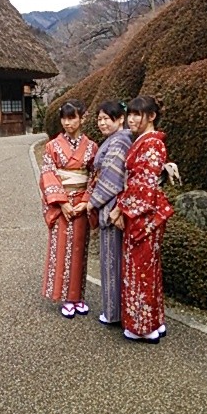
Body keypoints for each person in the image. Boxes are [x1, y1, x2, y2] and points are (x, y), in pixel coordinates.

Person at [109, 95, 174, 344]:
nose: (132, 119)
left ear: (151, 116)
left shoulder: (152, 144)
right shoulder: (146, 142)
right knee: (147, 268)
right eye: (131, 114)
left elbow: (143, 186)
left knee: (140, 270)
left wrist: (120, 210)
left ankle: (142, 327)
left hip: (142, 214)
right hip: (143, 211)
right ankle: (154, 322)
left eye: (138, 114)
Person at [40, 100, 98, 318]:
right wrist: (62, 202)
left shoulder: (91, 147)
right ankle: (65, 297)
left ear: (82, 118)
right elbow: (47, 173)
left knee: (79, 249)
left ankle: (78, 296)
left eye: (72, 118)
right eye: (64, 118)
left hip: (81, 203)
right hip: (62, 202)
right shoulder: (52, 146)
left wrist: (86, 200)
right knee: (62, 248)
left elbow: (94, 175)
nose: (67, 123)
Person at [87, 100, 132, 325]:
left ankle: (113, 312)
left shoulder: (120, 141)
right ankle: (119, 310)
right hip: (113, 204)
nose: (102, 123)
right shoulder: (115, 140)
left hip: (113, 205)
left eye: (107, 118)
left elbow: (112, 177)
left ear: (120, 119)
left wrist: (92, 202)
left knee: (112, 259)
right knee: (114, 259)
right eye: (99, 119)